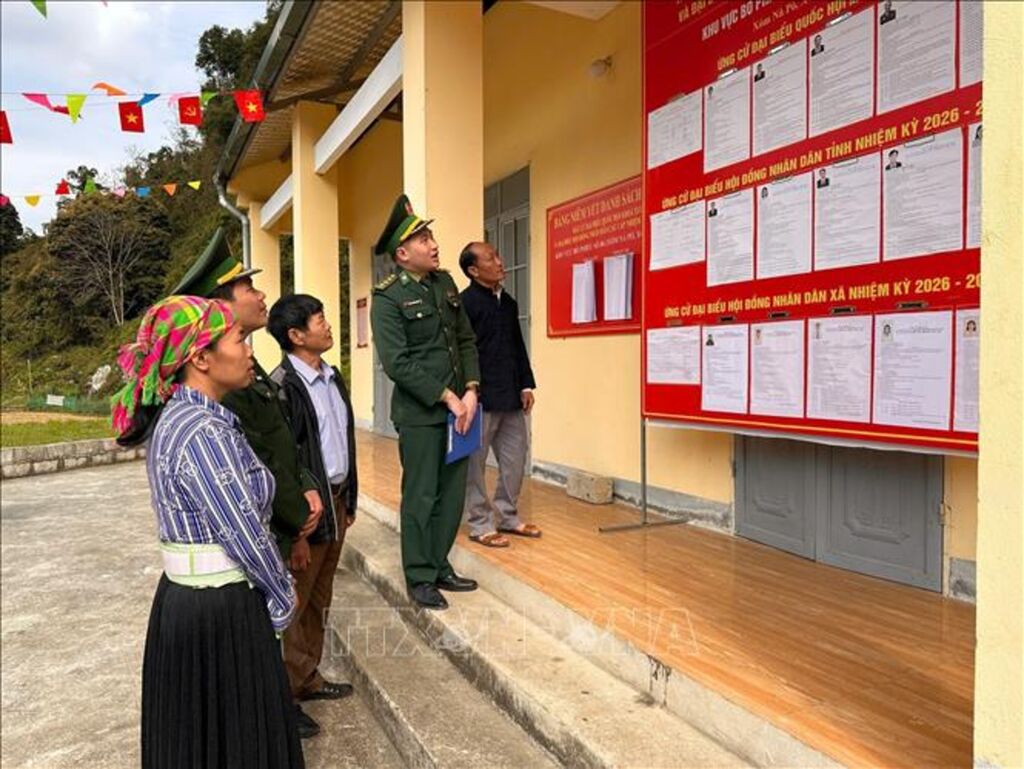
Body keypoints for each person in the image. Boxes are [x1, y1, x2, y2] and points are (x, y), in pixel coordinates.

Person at [112, 295, 304, 769]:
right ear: (201, 358)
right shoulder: (202, 431)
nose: (248, 350)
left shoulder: (186, 418)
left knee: (202, 738)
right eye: (239, 338)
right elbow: (244, 533)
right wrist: (282, 597)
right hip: (220, 612)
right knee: (240, 737)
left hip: (192, 604)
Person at [173, 228, 347, 740]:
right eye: (248, 287)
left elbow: (289, 447)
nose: (261, 295)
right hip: (269, 530)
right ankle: (277, 703)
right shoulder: (219, 387)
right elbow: (249, 473)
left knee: (310, 606)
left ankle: (296, 685)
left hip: (299, 513)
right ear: (221, 306)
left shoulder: (248, 371)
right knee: (274, 621)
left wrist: (312, 489)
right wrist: (291, 527)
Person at [370, 194, 481, 610]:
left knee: (453, 494)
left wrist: (470, 390)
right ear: (402, 254)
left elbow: (465, 341)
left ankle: (439, 565)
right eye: (423, 239)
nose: (433, 244)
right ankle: (418, 575)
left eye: (431, 235)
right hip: (421, 414)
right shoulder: (387, 300)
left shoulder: (446, 284)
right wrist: (447, 396)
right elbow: (397, 364)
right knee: (422, 494)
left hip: (461, 411)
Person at [266, 293, 358, 708]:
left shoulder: (332, 377)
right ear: (296, 334)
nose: (327, 325)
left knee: (321, 597)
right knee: (297, 601)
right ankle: (287, 692)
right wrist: (296, 534)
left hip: (336, 504)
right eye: (319, 319)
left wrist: (349, 499)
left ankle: (307, 677)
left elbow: (344, 441)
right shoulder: (282, 388)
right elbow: (286, 464)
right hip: (307, 515)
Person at [458, 242, 540, 549]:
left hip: (511, 396)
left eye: (498, 254)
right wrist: (468, 392)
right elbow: (463, 353)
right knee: (474, 467)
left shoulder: (508, 302)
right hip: (478, 400)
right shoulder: (464, 305)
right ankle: (479, 523)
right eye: (492, 257)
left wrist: (526, 385)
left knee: (515, 459)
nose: (500, 261)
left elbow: (517, 346)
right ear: (474, 270)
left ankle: (507, 514)